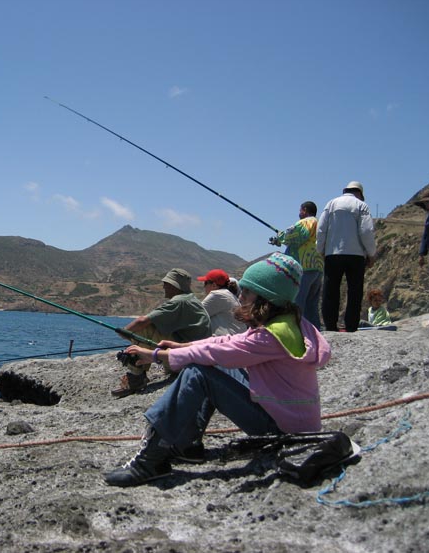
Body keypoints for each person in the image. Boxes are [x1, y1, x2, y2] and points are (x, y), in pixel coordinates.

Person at [104, 253, 330, 487]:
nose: (240, 295)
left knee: (199, 373)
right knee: (209, 364)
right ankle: (187, 445)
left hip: (284, 431)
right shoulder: (291, 322)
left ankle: (149, 462)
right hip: (293, 421)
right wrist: (184, 346)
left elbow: (216, 352)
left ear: (267, 298)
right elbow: (226, 343)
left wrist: (154, 355)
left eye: (248, 292)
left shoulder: (270, 337)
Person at [112, 268, 211, 398]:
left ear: (174, 286)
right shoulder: (190, 299)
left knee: (144, 328)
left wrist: (124, 332)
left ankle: (136, 377)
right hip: (195, 357)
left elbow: (143, 321)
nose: (163, 286)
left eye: (166, 283)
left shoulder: (179, 301)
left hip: (188, 360)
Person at [316, 181, 376, 332]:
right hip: (355, 255)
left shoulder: (331, 204)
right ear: (360, 194)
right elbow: (366, 231)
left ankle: (330, 325)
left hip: (333, 253)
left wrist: (321, 249)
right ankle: (351, 326)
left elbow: (321, 229)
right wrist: (371, 253)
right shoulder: (361, 206)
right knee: (354, 291)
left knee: (330, 291)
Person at [269, 201, 324, 329]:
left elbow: (297, 234)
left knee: (298, 302)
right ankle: (315, 332)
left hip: (304, 266)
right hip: (318, 266)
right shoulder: (320, 223)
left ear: (304, 210)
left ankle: (297, 331)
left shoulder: (307, 221)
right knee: (312, 304)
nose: (299, 213)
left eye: (300, 210)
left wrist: (281, 238)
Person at [197, 269, 245, 336]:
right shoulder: (228, 294)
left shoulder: (218, 295)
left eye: (205, 283)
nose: (204, 286)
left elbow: (195, 316)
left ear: (214, 285)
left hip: (227, 342)